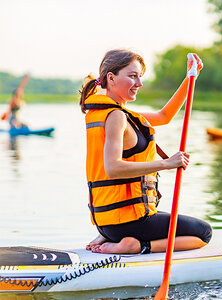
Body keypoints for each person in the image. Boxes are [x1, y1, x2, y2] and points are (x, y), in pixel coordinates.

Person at [79, 49, 212, 254]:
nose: (139, 83)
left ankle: (109, 236)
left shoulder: (103, 113)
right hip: (130, 221)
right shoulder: (116, 117)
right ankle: (138, 246)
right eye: (132, 76)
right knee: (203, 233)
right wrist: (166, 163)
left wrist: (190, 78)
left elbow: (165, 116)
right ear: (111, 78)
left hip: (107, 221)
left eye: (140, 77)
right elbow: (112, 168)